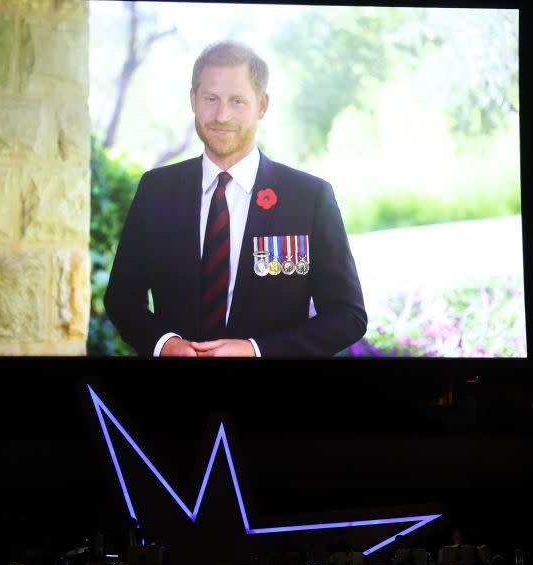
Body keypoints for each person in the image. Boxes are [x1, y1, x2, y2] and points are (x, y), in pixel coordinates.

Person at [104, 41, 367, 357]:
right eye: (211, 99)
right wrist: (164, 344)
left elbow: (348, 316)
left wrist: (256, 350)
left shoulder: (309, 198)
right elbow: (121, 298)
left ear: (262, 105)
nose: (222, 115)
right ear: (193, 100)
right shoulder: (156, 190)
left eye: (237, 101)